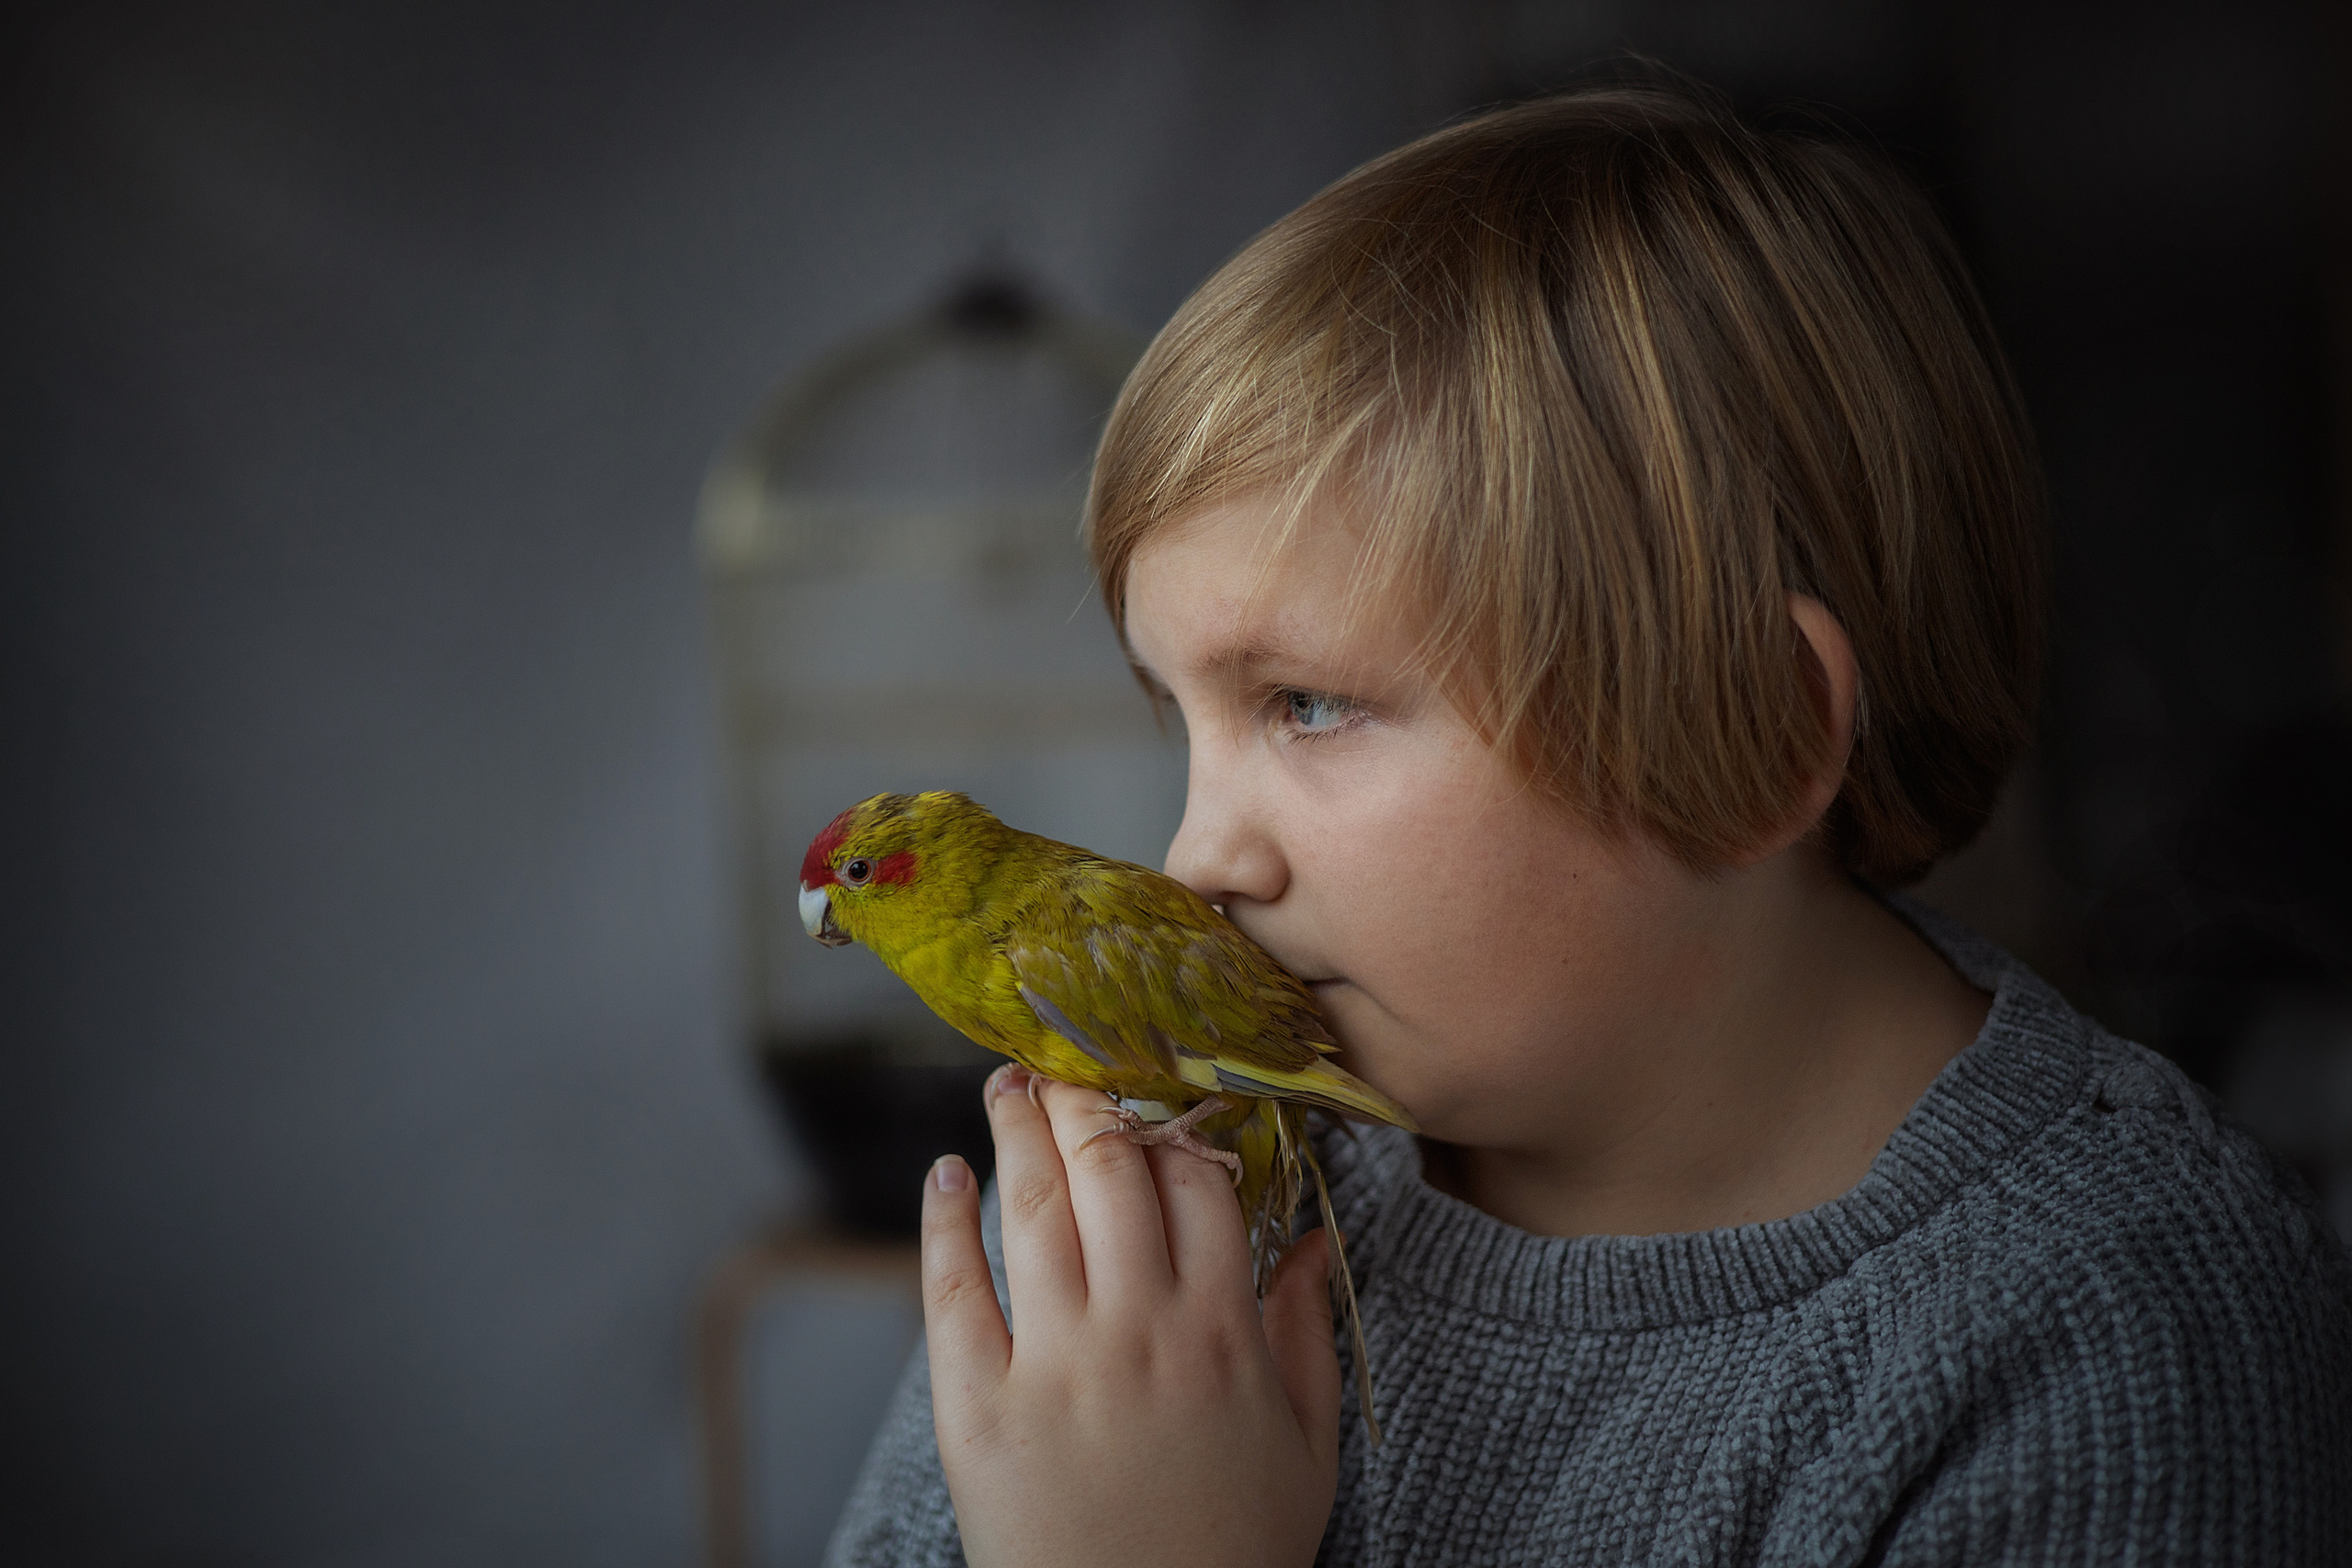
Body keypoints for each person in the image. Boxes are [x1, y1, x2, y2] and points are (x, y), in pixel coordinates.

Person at [827, 84, 2352, 1566]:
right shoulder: (1157, 1222)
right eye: (1182, 717)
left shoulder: (2121, 1350)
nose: (1196, 860)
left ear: (1751, 730)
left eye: (1305, 706)